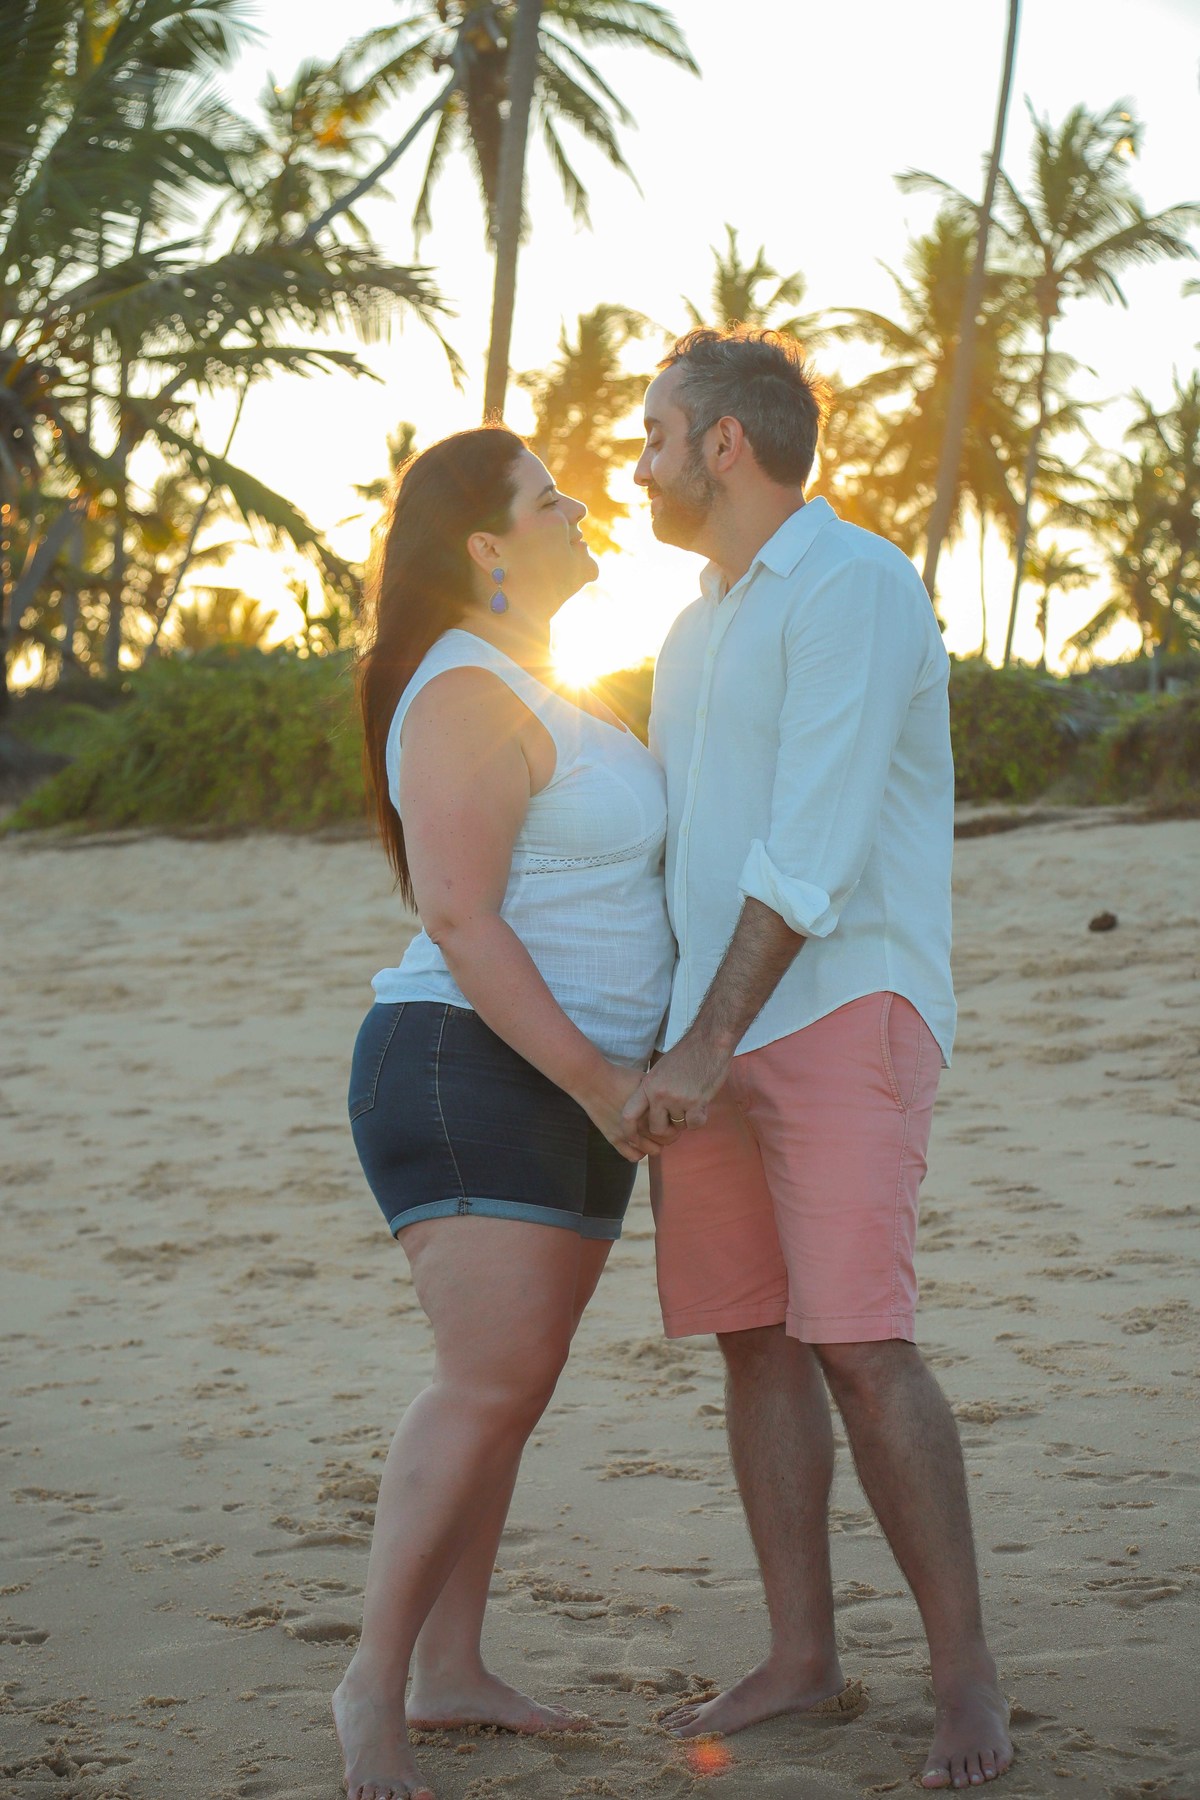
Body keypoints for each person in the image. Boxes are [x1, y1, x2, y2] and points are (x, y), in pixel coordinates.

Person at [622, 328, 1014, 1792]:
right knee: (756, 1339)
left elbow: (816, 847)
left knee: (859, 1341)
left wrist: (705, 1039)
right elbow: (684, 850)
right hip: (709, 1032)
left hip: (843, 1009)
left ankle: (965, 1676)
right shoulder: (690, 629)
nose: (639, 464)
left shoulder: (858, 583)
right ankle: (804, 1654)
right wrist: (669, 1039)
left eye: (655, 434)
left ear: (725, 443)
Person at [335, 426, 675, 1800]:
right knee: (485, 1385)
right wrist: (598, 1083)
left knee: (511, 1392)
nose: (580, 506)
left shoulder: (542, 685)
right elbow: (459, 914)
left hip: (569, 1084)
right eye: (550, 498)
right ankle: (372, 1688)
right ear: (487, 545)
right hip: (470, 1067)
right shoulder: (467, 687)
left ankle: (452, 1670)